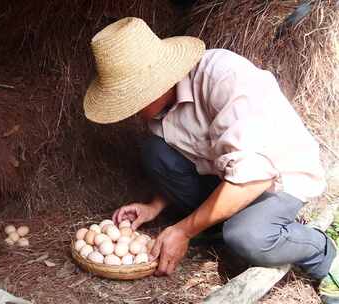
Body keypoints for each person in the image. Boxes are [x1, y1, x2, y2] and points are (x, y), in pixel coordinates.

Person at [83, 17, 338, 302]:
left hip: (278, 179)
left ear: (155, 84)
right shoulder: (158, 113)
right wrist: (153, 207)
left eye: (131, 100)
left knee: (248, 236)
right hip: (225, 177)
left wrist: (184, 230)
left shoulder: (223, 76)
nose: (130, 111)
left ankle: (322, 251)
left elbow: (256, 175)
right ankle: (218, 226)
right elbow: (195, 159)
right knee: (156, 153)